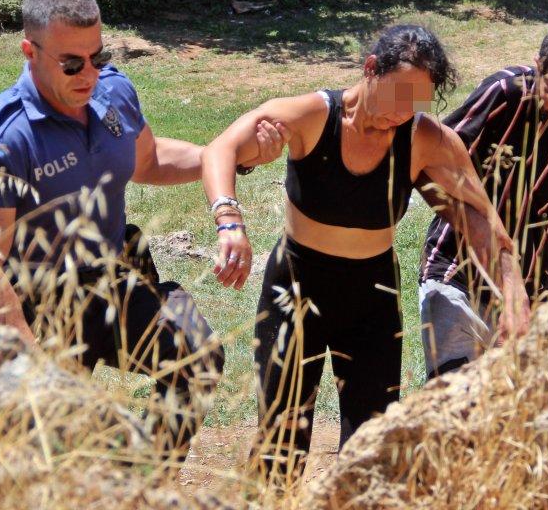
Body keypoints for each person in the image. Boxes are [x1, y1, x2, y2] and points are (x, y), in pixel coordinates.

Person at [0, 0, 287, 458]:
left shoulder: (112, 94)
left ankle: (145, 486)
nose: (89, 74)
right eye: (72, 64)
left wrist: (228, 158)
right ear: (30, 51)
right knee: (46, 455)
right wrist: (33, 366)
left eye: (98, 57)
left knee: (197, 353)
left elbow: (148, 161)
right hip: (40, 304)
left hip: (113, 281)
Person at [200, 24, 530, 484]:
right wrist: (229, 221)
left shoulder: (424, 138)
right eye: (398, 96)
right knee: (280, 444)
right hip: (294, 291)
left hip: (371, 299)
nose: (402, 114)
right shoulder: (314, 114)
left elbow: (479, 217)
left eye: (415, 103)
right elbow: (222, 148)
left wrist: (512, 291)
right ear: (370, 69)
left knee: (371, 448)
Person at [419, 18, 548, 378]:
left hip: (539, 294)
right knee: (457, 407)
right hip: (456, 273)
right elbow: (432, 159)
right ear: (538, 66)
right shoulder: (503, 93)